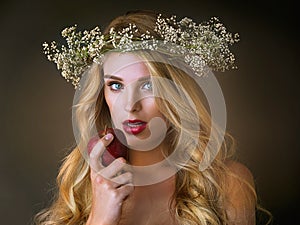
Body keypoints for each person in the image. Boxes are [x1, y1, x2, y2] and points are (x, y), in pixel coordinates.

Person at [36, 10, 267, 225]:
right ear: (101, 94)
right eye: (116, 85)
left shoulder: (227, 183)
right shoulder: (83, 185)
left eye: (148, 85)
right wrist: (100, 218)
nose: (130, 105)